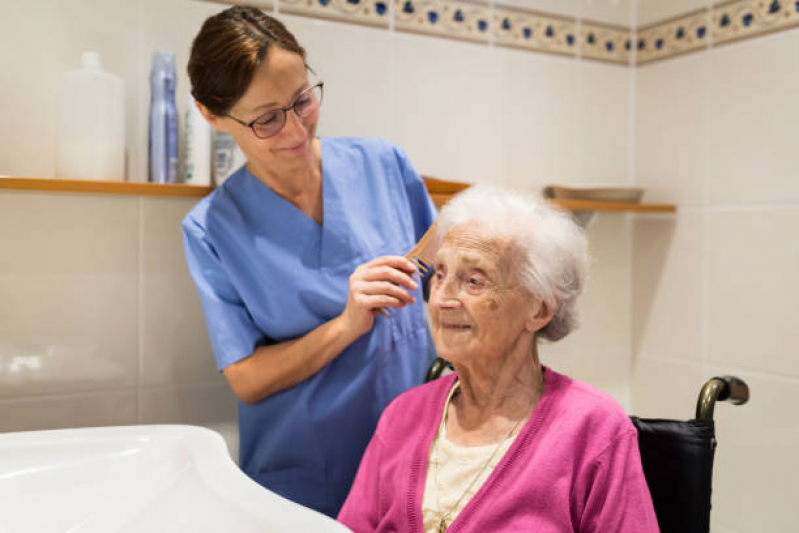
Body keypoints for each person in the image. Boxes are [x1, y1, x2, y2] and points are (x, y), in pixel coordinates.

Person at [182, 6, 436, 517]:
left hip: (417, 461)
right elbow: (247, 378)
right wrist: (346, 325)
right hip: (304, 483)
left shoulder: (384, 165)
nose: (296, 129)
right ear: (211, 115)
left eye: (303, 100)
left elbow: (441, 281)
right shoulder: (211, 229)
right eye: (267, 118)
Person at [338, 185, 659, 532]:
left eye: (474, 281)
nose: (442, 299)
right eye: (440, 275)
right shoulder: (402, 417)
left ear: (539, 309)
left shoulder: (594, 428)